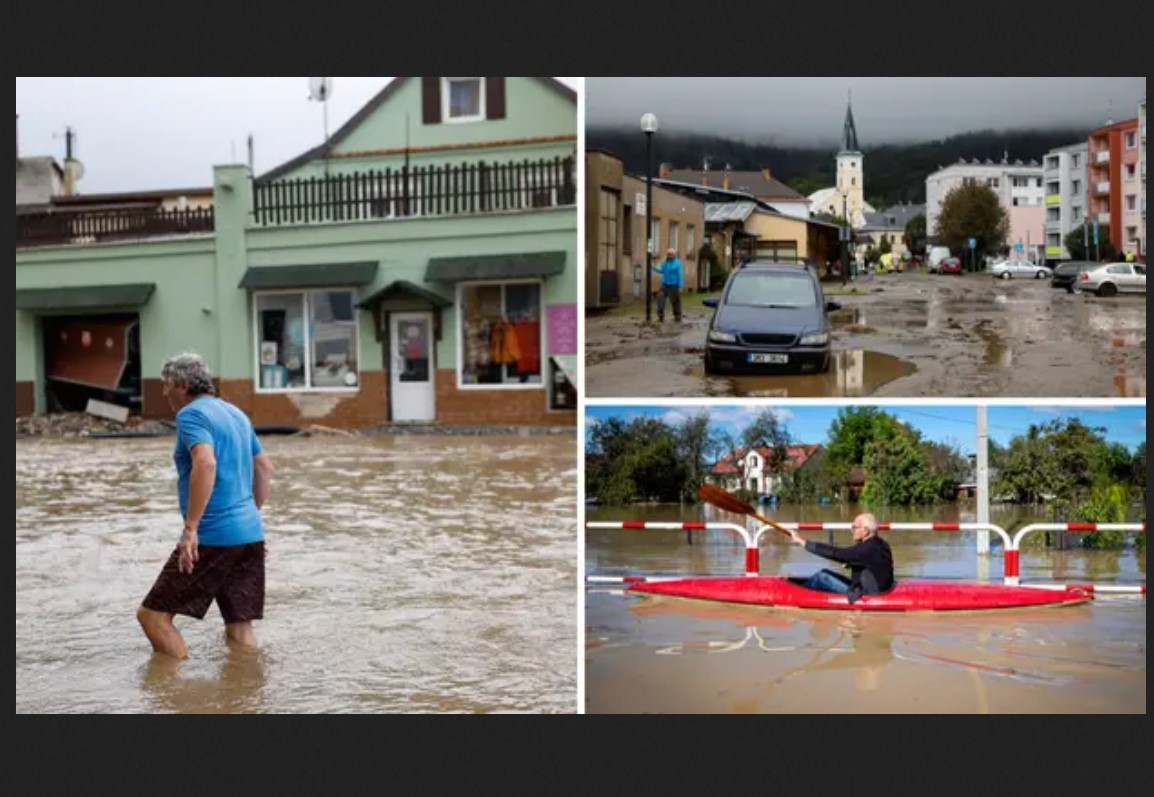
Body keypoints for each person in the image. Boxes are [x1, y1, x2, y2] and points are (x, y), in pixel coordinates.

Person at [137, 354, 275, 660]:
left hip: (213, 535)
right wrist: (251, 519)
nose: (164, 392)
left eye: (167, 385)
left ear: (183, 385)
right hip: (249, 534)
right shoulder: (235, 413)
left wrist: (191, 529)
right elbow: (264, 468)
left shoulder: (190, 415)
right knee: (240, 627)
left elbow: (205, 461)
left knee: (152, 618)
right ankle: (245, 696)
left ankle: (176, 696)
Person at [788, 514, 895, 604]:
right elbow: (873, 564)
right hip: (877, 587)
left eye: (854, 527)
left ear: (866, 531)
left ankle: (794, 595)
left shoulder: (865, 549)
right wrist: (851, 564)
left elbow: (835, 553)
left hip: (867, 593)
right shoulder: (881, 543)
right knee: (825, 572)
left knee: (822, 577)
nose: (852, 530)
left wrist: (802, 542)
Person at [652, 248, 684, 323]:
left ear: (674, 255)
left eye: (671, 254)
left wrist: (680, 286)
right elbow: (661, 270)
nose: (669, 256)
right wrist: (653, 267)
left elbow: (680, 275)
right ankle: (660, 315)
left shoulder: (677, 263)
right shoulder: (665, 262)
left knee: (675, 301)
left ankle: (677, 315)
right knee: (660, 298)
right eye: (668, 254)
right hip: (665, 284)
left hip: (674, 285)